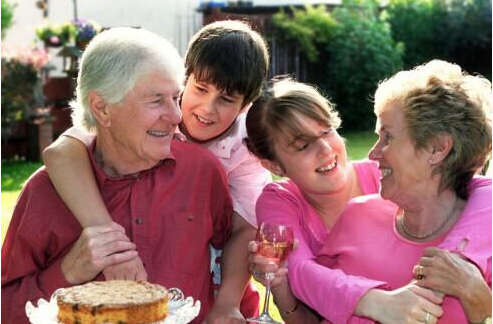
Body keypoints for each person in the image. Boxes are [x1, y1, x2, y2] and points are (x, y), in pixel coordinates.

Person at [1, 27, 234, 324]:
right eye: (155, 100)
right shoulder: (44, 192)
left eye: (176, 97)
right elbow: (5, 309)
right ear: (102, 108)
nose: (176, 116)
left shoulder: (202, 172)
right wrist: (68, 271)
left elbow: (229, 255)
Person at [42, 20, 271, 321]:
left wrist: (226, 304)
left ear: (245, 105)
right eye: (200, 89)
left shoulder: (245, 145)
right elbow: (61, 152)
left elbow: (246, 228)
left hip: (217, 275)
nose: (206, 108)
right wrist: (105, 236)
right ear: (184, 79)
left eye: (226, 100)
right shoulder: (152, 111)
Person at [245, 73, 491, 323]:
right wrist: (375, 301)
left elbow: (482, 189)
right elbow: (300, 274)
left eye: (327, 131)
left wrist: (461, 271)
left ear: (437, 149)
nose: (326, 149)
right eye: (303, 146)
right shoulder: (350, 211)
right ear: (274, 166)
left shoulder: (396, 178)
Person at [317, 59, 492, 323]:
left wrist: (478, 296)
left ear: (436, 148)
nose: (372, 153)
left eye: (388, 137)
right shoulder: (356, 216)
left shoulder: (486, 238)